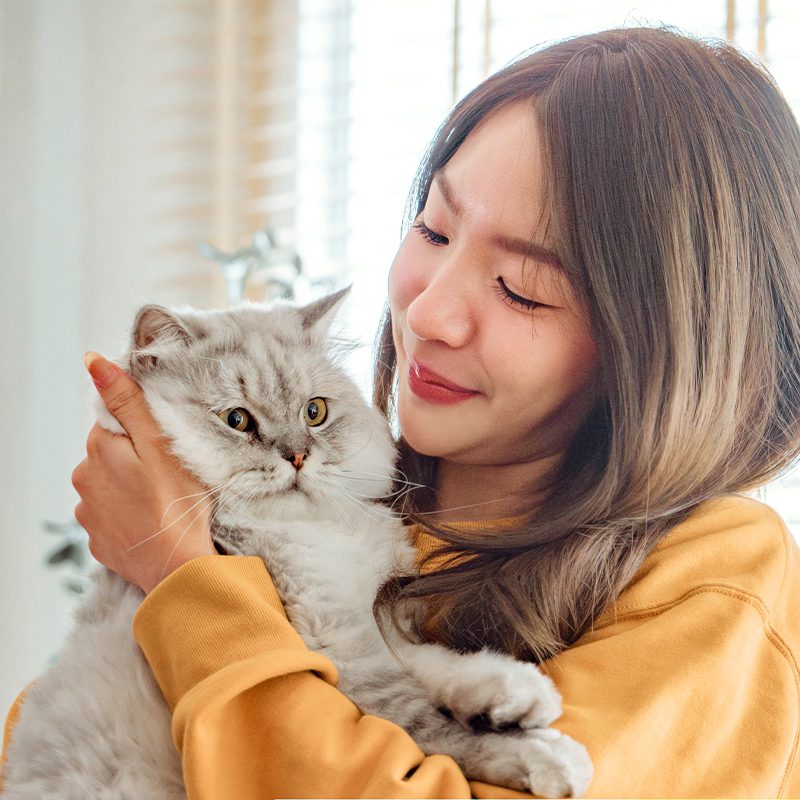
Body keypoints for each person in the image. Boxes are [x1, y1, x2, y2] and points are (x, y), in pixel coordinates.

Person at [4, 24, 800, 798]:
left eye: (521, 287)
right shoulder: (360, 501)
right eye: (434, 228)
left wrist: (184, 580)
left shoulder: (720, 574)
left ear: (660, 347)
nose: (428, 315)